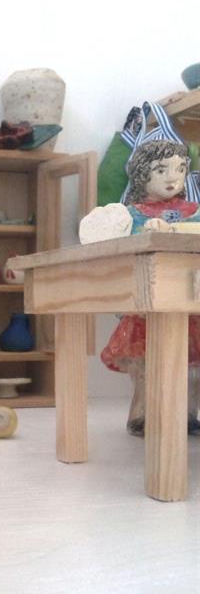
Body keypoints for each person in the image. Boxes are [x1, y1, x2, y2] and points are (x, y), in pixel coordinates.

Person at [97, 139, 200, 434]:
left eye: (180, 169)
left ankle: (189, 414)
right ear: (143, 173)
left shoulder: (193, 211)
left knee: (192, 368)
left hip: (188, 298)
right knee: (146, 366)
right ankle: (142, 414)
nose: (172, 177)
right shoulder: (132, 214)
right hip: (147, 303)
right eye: (161, 170)